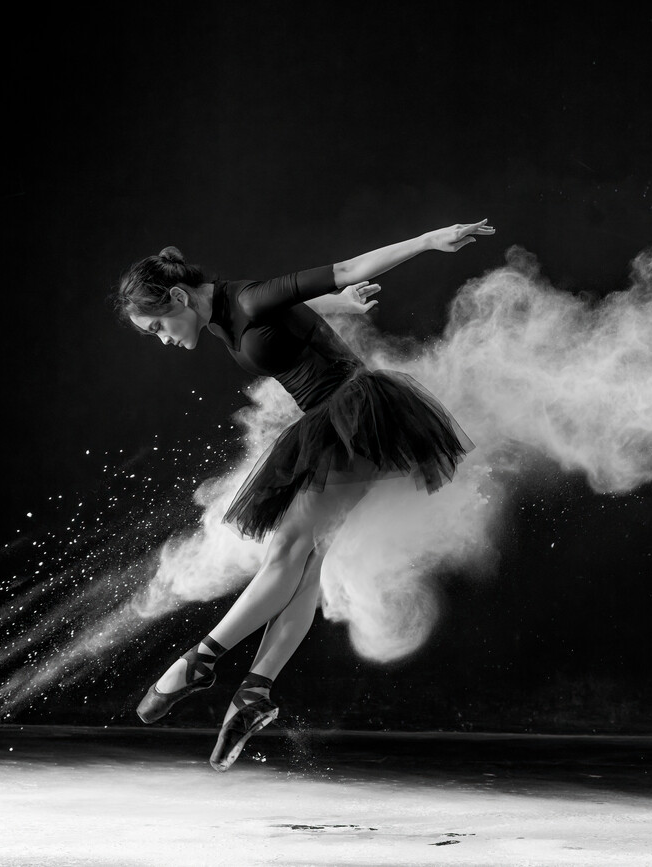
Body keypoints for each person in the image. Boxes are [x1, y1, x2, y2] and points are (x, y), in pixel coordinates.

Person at [111, 219, 494, 770]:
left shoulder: (249, 297)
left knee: (289, 551)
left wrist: (429, 241)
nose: (164, 339)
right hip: (334, 423)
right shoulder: (221, 316)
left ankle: (199, 662)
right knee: (306, 559)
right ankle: (254, 693)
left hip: (356, 414)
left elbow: (346, 268)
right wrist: (343, 308)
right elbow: (297, 319)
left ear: (178, 297)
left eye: (159, 326)